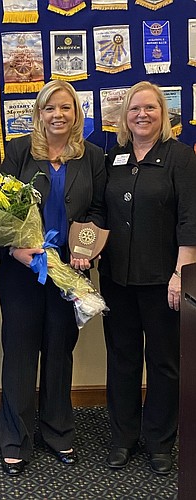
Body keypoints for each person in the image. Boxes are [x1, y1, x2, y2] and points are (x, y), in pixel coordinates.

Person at [0, 80, 106, 475]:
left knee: (60, 351)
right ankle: (15, 438)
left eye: (66, 108)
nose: (58, 114)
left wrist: (83, 249)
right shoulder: (21, 152)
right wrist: (14, 249)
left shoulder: (91, 156)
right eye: (50, 108)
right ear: (39, 114)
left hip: (68, 273)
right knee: (21, 354)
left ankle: (58, 431)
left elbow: (97, 209)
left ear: (76, 114)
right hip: (21, 270)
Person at [99, 81, 196, 475]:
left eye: (150, 108)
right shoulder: (114, 156)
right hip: (117, 279)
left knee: (163, 363)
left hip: (163, 281)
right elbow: (100, 211)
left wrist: (181, 274)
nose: (142, 114)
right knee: (121, 359)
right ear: (125, 116)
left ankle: (159, 441)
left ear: (164, 114)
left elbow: (191, 219)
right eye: (135, 108)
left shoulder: (180, 158)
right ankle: (123, 438)